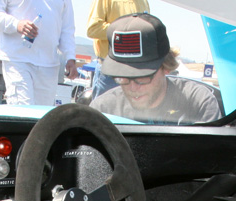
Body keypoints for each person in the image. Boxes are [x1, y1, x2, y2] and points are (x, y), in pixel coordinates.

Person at [90, 14, 222, 125]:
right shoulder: (102, 111)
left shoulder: (198, 103)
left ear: (166, 67)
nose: (133, 88)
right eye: (122, 78)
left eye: (142, 78)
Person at [0, 0, 79, 106]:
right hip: (18, 61)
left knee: (42, 118)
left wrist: (70, 58)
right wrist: (16, 24)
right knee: (23, 112)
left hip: (49, 66)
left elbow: (67, 28)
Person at [85, 0, 149, 98]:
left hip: (136, 73)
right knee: (103, 112)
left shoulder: (143, 1)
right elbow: (93, 29)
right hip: (110, 73)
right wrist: (126, 30)